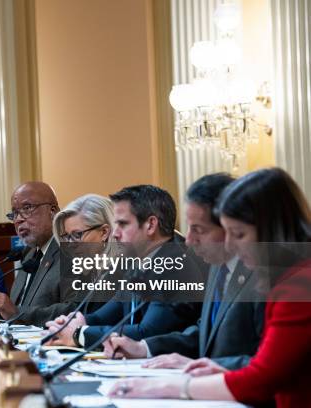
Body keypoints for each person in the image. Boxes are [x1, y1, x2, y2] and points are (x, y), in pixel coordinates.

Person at [109, 168, 311, 408]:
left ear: (270, 230)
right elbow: (216, 334)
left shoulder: (298, 285)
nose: (230, 244)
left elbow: (265, 374)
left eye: (238, 233)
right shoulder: (231, 269)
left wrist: (172, 387)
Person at [103, 173, 264, 370]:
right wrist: (144, 348)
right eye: (189, 228)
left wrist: (210, 366)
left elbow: (274, 361)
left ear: (228, 225)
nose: (188, 240)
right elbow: (204, 333)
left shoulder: (262, 275)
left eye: (199, 230)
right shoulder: (217, 267)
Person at [45, 185, 205, 348]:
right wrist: (72, 323)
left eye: (123, 224)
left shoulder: (175, 266)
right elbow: (106, 315)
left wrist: (80, 334)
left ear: (150, 225)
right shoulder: (136, 263)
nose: (115, 233)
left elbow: (148, 332)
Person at [0, 182, 77, 326]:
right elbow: (18, 308)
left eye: (27, 208)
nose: (18, 219)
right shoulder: (29, 254)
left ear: (53, 211)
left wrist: (16, 313)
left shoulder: (73, 253)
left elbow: (75, 310)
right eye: (15, 213)